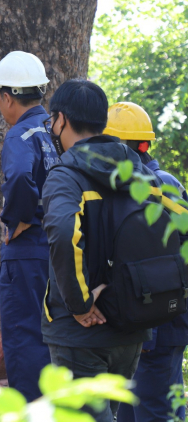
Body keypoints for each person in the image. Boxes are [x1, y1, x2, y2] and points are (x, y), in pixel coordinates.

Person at [40, 79, 188, 422]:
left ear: (61, 120)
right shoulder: (140, 174)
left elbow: (64, 233)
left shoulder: (66, 176)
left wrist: (81, 303)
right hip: (131, 329)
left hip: (79, 332)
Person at [106, 102, 188, 421]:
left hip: (159, 327)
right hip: (145, 325)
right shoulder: (154, 184)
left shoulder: (155, 188)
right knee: (132, 410)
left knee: (157, 410)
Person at [0, 51, 59, 401]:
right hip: (60, 248)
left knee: (25, 339)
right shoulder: (56, 132)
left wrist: (17, 220)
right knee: (55, 342)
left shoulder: (20, 135)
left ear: (7, 97)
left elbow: (18, 176)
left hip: (28, 251)